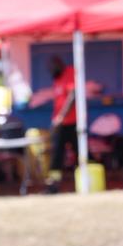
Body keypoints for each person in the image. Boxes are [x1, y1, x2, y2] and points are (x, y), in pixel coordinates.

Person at [46, 55, 77, 193]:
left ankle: (90, 179)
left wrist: (61, 116)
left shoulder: (69, 73)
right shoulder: (57, 80)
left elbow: (72, 96)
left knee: (82, 153)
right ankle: (54, 185)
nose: (51, 71)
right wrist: (55, 121)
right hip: (61, 125)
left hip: (72, 123)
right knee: (57, 155)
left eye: (52, 67)